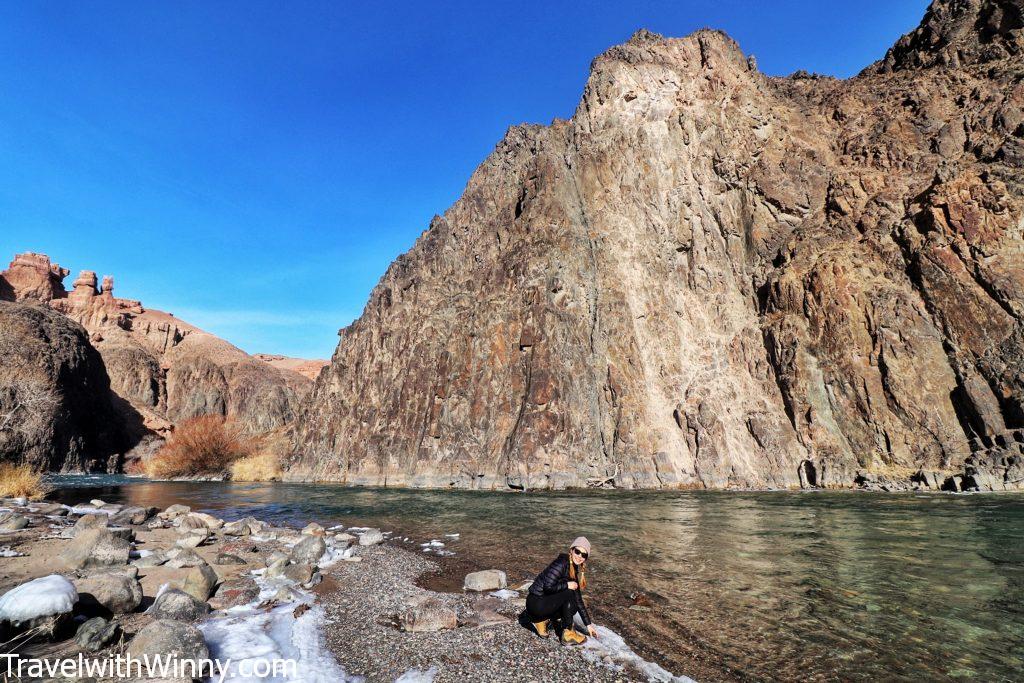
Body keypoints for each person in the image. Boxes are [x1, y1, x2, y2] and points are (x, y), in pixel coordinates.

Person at [523, 536, 599, 645]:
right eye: (577, 552)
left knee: (573, 604)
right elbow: (547, 587)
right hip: (535, 602)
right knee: (569, 594)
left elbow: (578, 599)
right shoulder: (561, 563)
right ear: (571, 550)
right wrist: (567, 585)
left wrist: (588, 625)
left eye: (584, 555)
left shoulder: (573, 568)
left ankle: (540, 621)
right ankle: (568, 634)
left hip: (540, 604)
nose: (580, 556)